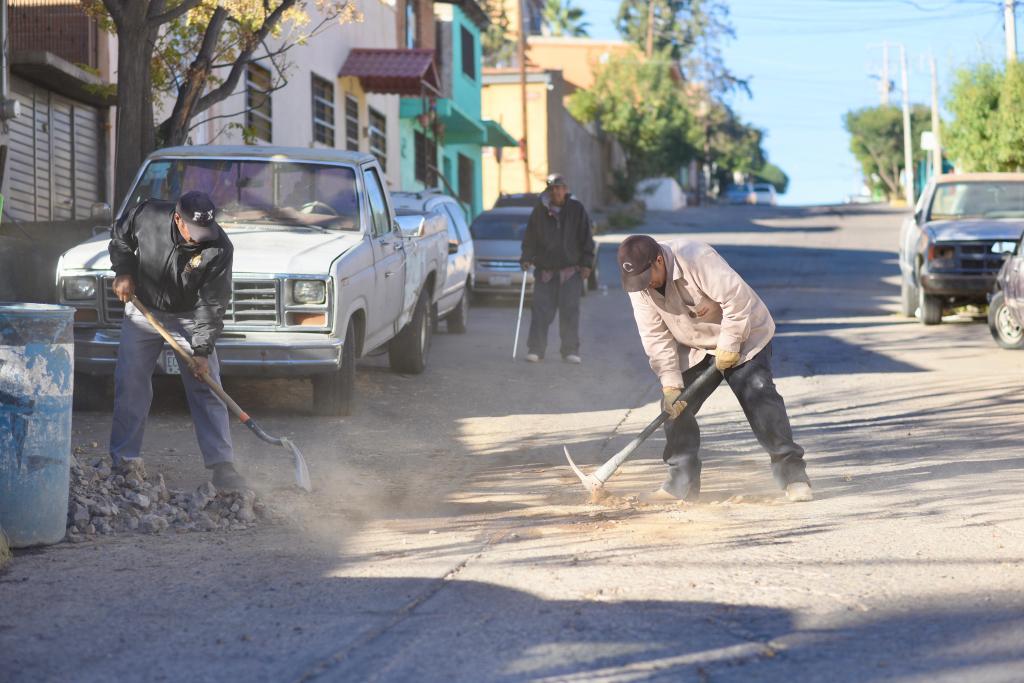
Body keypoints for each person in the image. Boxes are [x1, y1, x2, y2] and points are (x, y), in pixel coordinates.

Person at [617, 234, 812, 503]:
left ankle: (793, 476)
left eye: (647, 276)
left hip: (744, 334)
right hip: (696, 346)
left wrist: (730, 345)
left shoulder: (694, 256)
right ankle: (681, 485)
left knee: (759, 394)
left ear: (659, 260)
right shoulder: (639, 287)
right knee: (675, 407)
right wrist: (670, 384)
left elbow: (737, 300)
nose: (645, 284)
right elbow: (655, 337)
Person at [107, 191, 246, 490]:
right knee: (130, 382)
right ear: (178, 219)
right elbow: (120, 238)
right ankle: (124, 461)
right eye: (194, 231)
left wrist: (201, 351)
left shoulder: (219, 247)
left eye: (205, 230)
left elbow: (213, 303)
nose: (199, 238)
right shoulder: (147, 215)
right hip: (143, 310)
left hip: (190, 315)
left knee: (206, 384)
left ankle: (222, 465)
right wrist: (124, 272)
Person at [520, 174, 596, 364]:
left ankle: (570, 351)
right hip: (545, 271)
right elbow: (530, 237)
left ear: (565, 189)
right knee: (540, 312)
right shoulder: (540, 210)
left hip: (570, 272)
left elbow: (586, 238)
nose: (555, 192)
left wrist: (587, 264)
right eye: (552, 188)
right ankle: (536, 350)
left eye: (559, 188)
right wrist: (526, 257)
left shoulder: (576, 209)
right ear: (548, 190)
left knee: (570, 311)